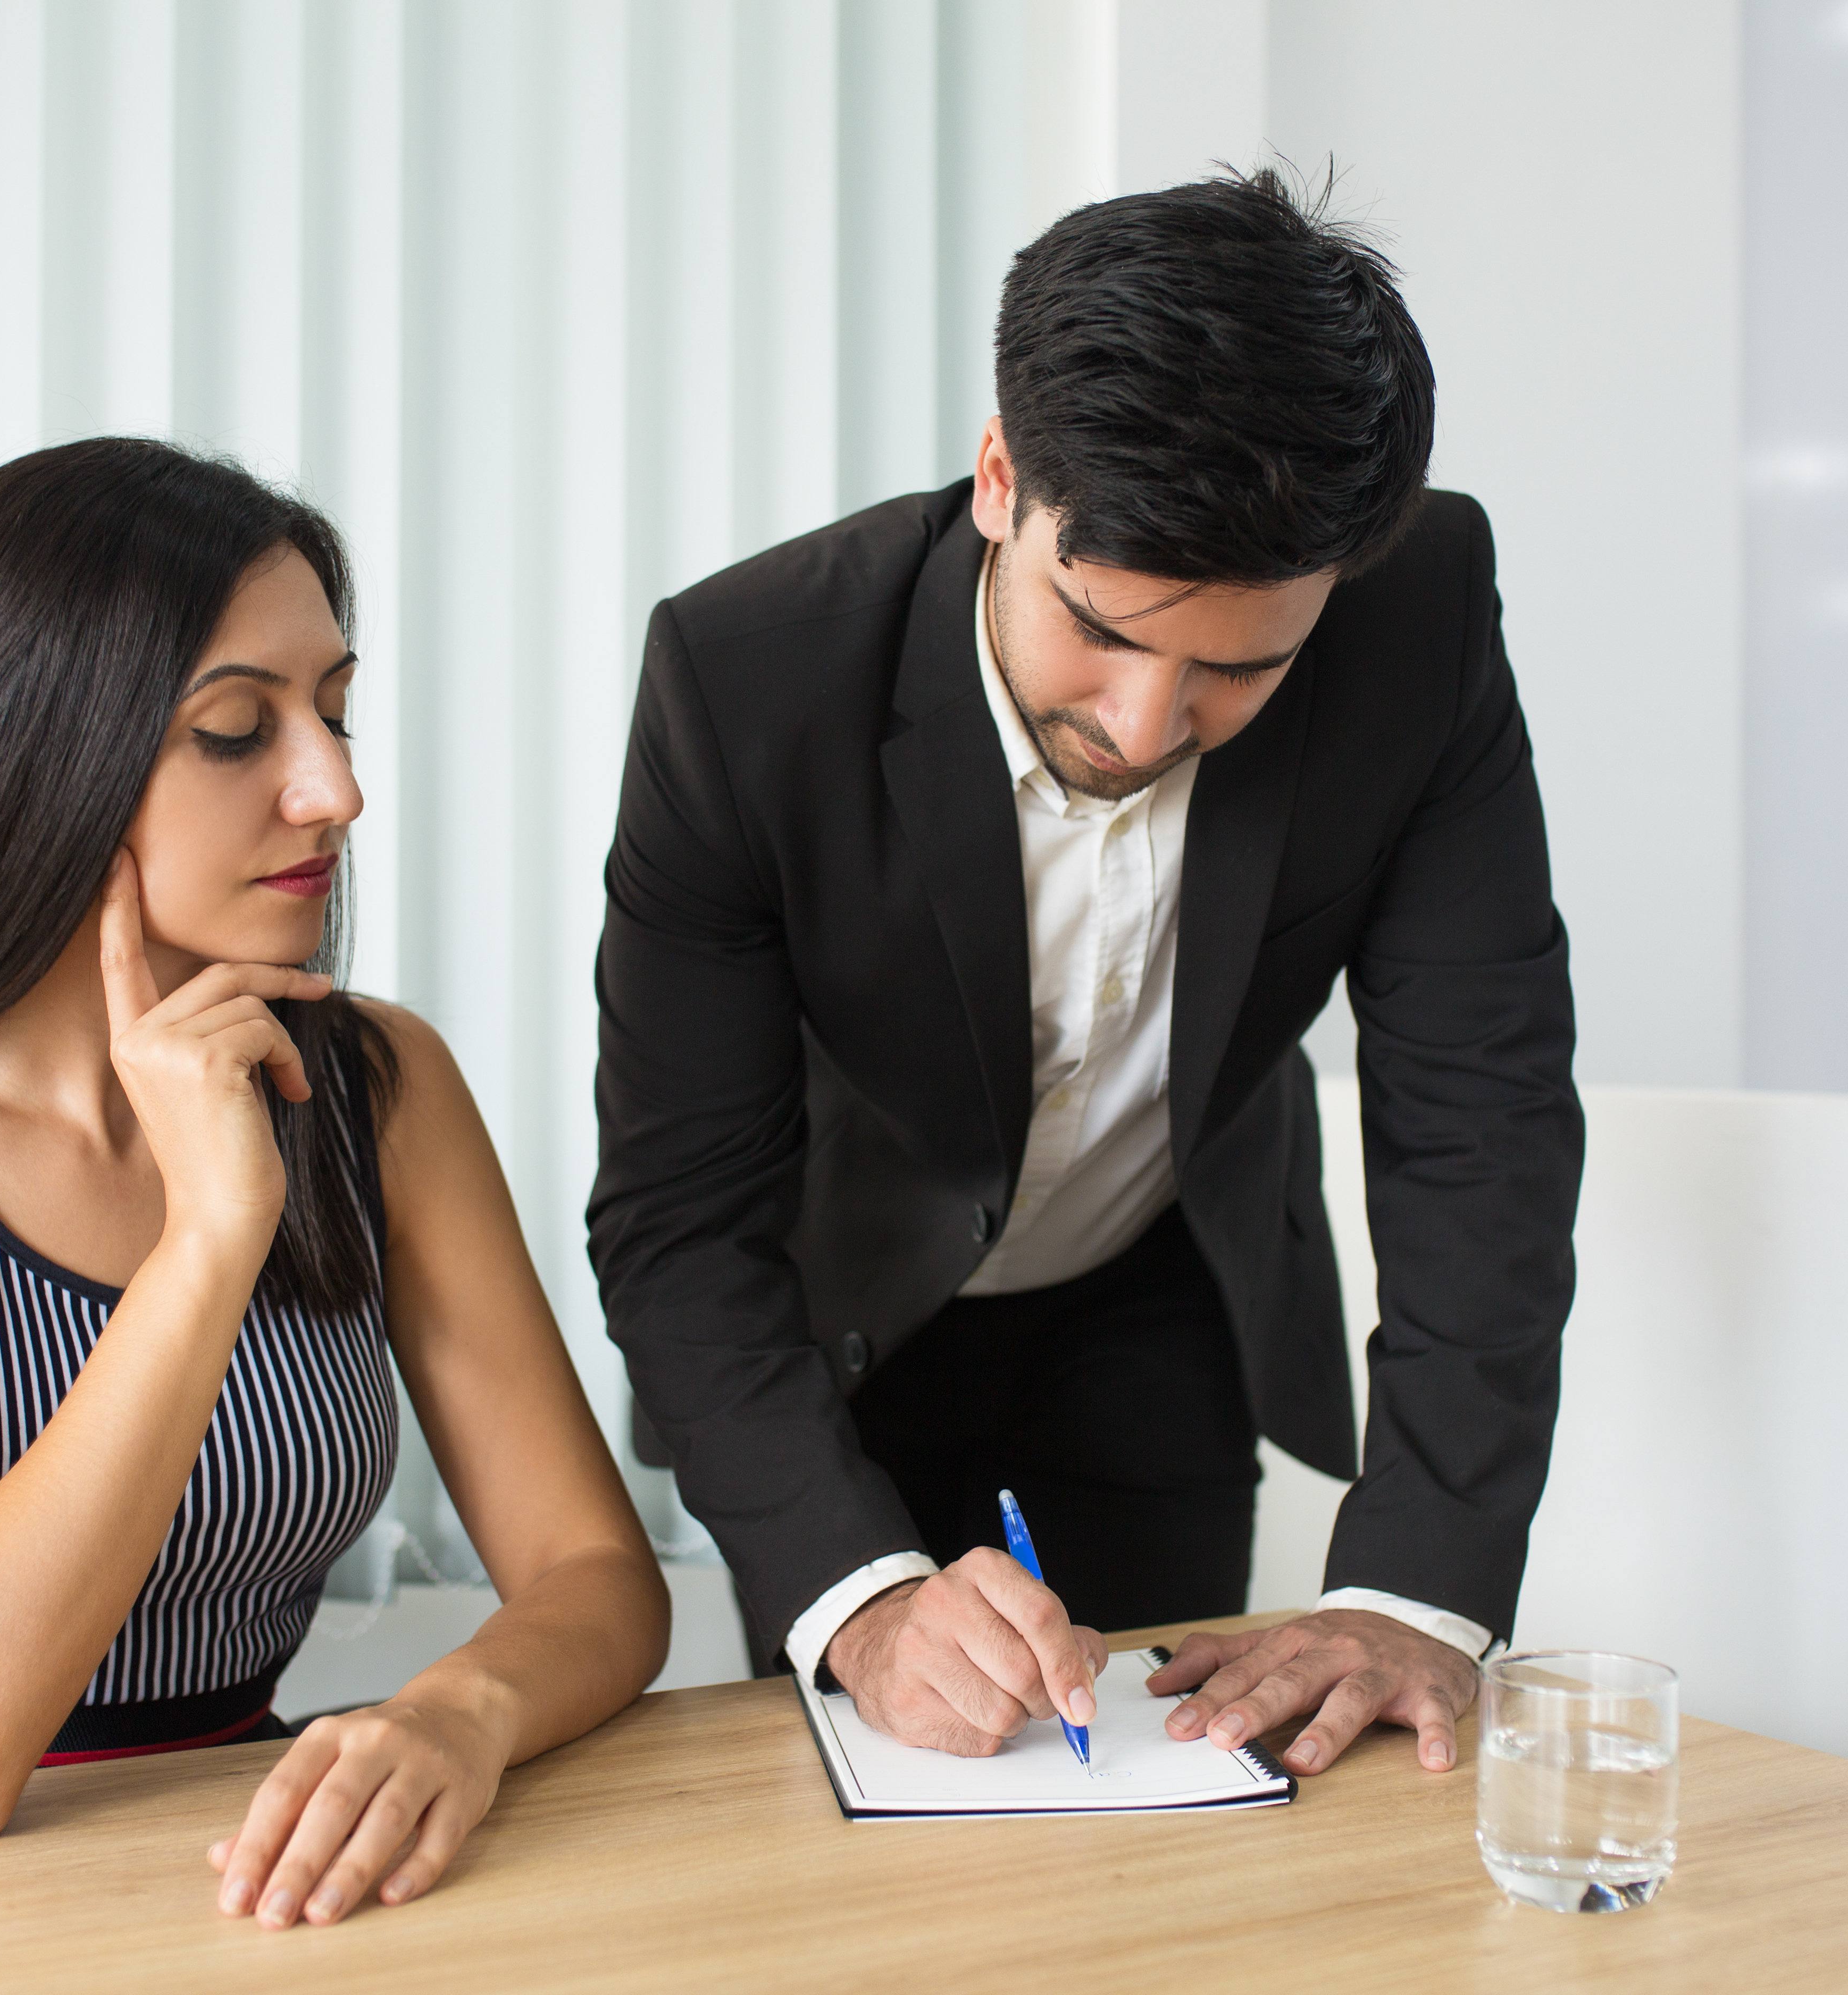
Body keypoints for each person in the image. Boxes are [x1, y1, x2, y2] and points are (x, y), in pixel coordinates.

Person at [589, 169, 1583, 1778]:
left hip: (1161, 1292)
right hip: (841, 1329)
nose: (1141, 727)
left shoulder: (1418, 624)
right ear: (1000, 479)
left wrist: (1415, 1592)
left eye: (1238, 669)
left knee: (1162, 1806)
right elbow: (676, 1208)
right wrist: (855, 1599)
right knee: (878, 1821)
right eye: (1100, 631)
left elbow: (1482, 1115)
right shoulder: (745, 681)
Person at [0, 438, 668, 1929]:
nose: (337, 791)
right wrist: (211, 1239)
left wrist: (458, 1712)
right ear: (38, 751)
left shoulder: (377, 1084)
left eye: (337, 712)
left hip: (212, 1853)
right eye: (238, 731)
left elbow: (591, 1572)